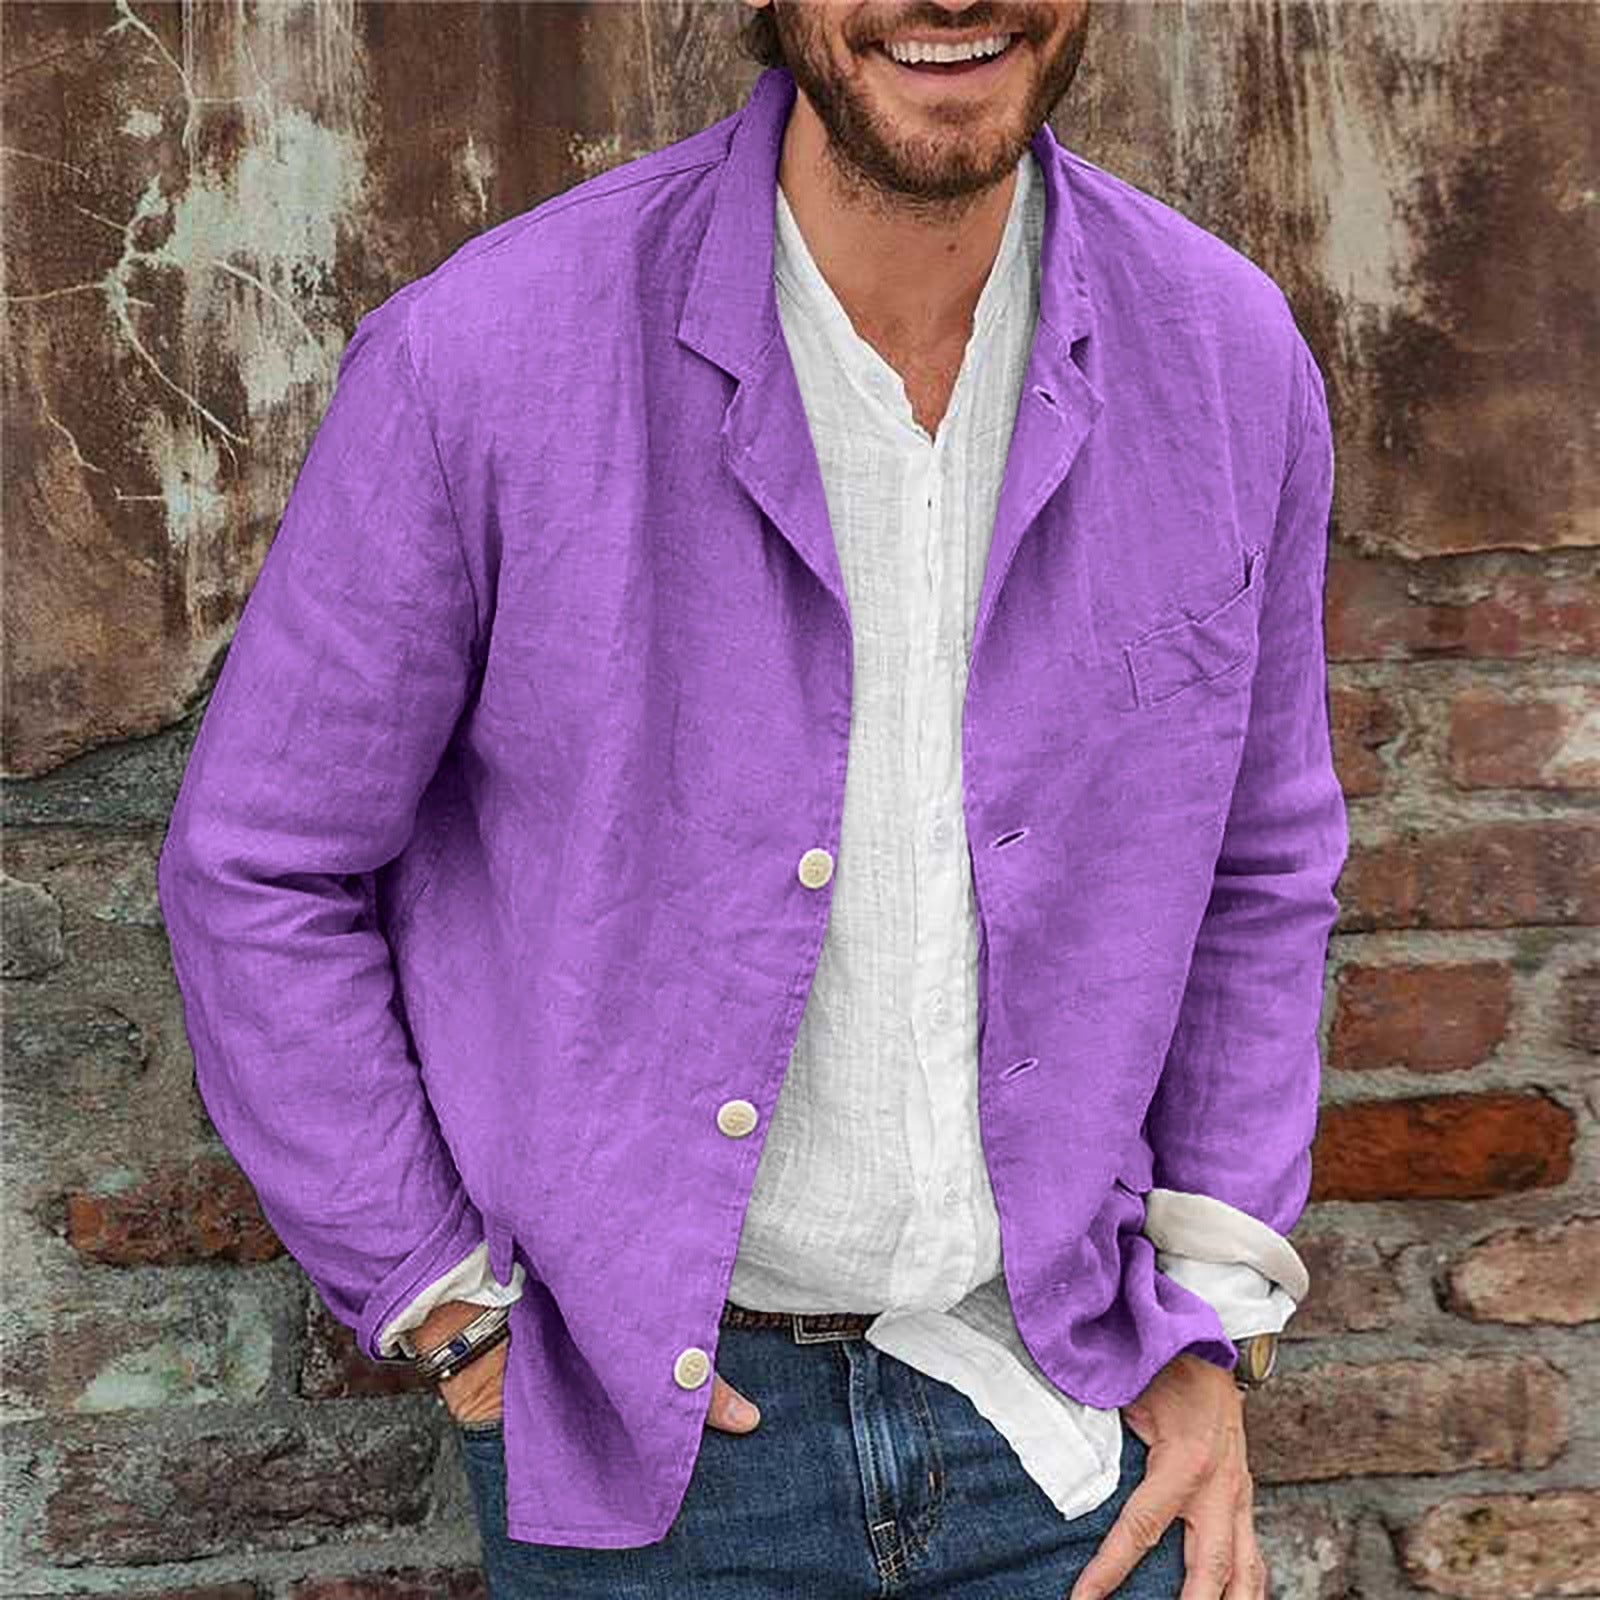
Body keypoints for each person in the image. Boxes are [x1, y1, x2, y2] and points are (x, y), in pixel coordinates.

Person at [156, 3, 1346, 1596]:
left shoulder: (1226, 354)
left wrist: (1213, 1323)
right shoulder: (488, 354)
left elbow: (1261, 863)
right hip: (660, 1469)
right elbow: (260, 866)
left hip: (1078, 1425)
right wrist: (446, 1309)